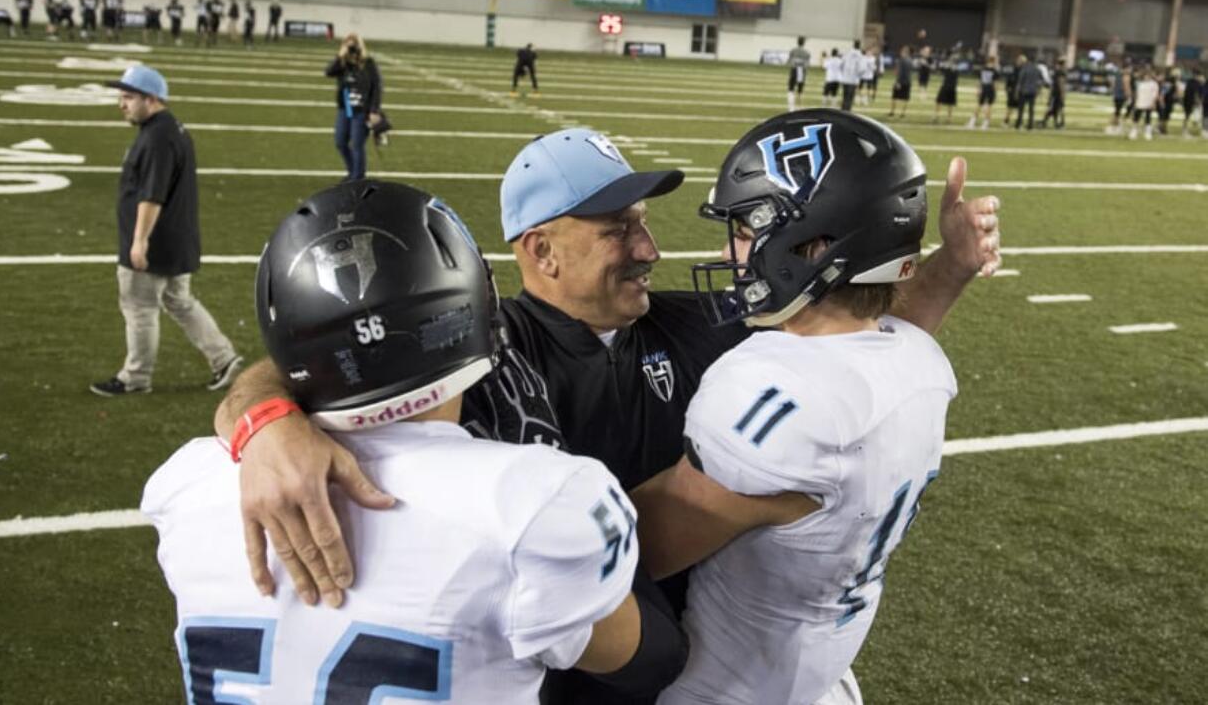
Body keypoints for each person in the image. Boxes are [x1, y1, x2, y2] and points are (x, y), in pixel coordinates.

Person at [213, 124, 999, 630]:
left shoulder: (698, 320)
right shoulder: (476, 350)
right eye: (617, 229)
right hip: (566, 655)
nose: (648, 248)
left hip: (689, 644)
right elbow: (322, 360)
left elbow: (850, 355)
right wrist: (267, 422)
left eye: (646, 223)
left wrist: (950, 268)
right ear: (540, 252)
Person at [143, 180, 686, 704]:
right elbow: (647, 659)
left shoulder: (184, 486)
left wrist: (265, 412)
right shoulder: (527, 501)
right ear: (473, 306)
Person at [633, 110, 954, 705]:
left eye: (749, 228)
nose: (733, 250)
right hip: (818, 677)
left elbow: (632, 550)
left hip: (722, 689)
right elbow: (874, 346)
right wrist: (954, 264)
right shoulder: (918, 363)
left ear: (814, 245)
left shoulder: (775, 390)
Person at [89, 65, 242, 397]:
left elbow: (152, 193)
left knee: (140, 308)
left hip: (155, 243)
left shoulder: (159, 137)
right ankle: (224, 357)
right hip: (175, 240)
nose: (122, 104)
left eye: (128, 97)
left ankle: (135, 377)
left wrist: (139, 241)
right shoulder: (168, 130)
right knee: (180, 301)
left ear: (152, 98)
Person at [326, 33, 384, 180]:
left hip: (362, 111)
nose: (352, 48)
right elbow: (328, 72)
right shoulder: (343, 64)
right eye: (348, 44)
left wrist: (374, 110)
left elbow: (377, 87)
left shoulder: (368, 63)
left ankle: (358, 177)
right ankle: (353, 171)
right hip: (345, 109)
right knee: (340, 142)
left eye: (354, 45)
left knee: (357, 144)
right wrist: (340, 56)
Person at [968, 55, 999, 129]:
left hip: (983, 88)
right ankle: (985, 124)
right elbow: (995, 84)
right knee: (989, 106)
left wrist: (978, 89)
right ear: (994, 61)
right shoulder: (995, 71)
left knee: (979, 105)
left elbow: (979, 81)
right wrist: (995, 92)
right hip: (990, 89)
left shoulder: (983, 69)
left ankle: (972, 122)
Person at [1130, 66, 1158, 141]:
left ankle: (1147, 133)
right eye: (1145, 75)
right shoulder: (1140, 83)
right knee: (1136, 117)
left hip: (1148, 102)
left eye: (1148, 75)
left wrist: (1153, 103)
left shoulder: (1154, 84)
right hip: (1140, 102)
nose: (1146, 77)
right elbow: (1137, 93)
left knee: (1148, 118)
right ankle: (1134, 131)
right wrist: (1136, 102)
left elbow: (1155, 94)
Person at [1014, 54, 1041, 130]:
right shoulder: (1037, 69)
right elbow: (1039, 81)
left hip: (1024, 91)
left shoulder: (1024, 68)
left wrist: (1016, 91)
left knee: (1021, 109)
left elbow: (1020, 81)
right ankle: (1030, 125)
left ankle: (1018, 124)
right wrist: (1038, 91)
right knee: (1031, 109)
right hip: (1033, 91)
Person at [785, 35, 811, 111]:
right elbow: (807, 65)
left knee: (791, 89)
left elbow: (789, 61)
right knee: (800, 90)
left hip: (794, 70)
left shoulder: (793, 51)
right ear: (804, 43)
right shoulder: (806, 53)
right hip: (802, 71)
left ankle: (791, 108)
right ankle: (799, 107)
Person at [1041, 58, 1067, 129]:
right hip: (1057, 94)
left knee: (1054, 109)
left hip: (1054, 93)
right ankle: (1060, 123)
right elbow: (1060, 83)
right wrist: (1062, 94)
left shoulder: (1057, 71)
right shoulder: (1061, 72)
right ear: (1063, 64)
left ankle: (1047, 121)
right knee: (1058, 108)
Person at [934, 51, 959, 124]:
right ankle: (949, 118)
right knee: (950, 104)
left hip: (946, 86)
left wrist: (941, 60)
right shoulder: (956, 67)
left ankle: (936, 116)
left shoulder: (948, 66)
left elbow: (939, 69)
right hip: (953, 87)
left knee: (939, 101)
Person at [839, 40, 864, 112]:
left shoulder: (847, 53)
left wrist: (843, 73)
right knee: (850, 98)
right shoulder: (860, 55)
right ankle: (847, 112)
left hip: (845, 79)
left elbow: (841, 65)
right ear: (859, 46)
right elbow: (861, 69)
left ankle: (842, 112)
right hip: (853, 80)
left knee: (844, 97)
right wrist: (858, 75)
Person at [889, 45, 913, 118]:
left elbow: (900, 72)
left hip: (901, 81)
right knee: (905, 98)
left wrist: (898, 82)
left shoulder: (901, 60)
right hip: (908, 81)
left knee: (894, 97)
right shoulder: (910, 60)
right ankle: (903, 113)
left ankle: (892, 112)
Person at [1109, 62, 1131, 134]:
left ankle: (1113, 126)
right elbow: (1126, 87)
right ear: (1126, 68)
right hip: (1121, 95)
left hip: (1116, 94)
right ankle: (1115, 126)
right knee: (1119, 111)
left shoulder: (1117, 74)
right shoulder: (1125, 76)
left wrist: (1114, 92)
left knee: (1116, 111)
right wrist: (1128, 96)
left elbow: (1112, 84)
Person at [1180, 68, 1202, 137]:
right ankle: (1185, 130)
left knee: (1187, 116)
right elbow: (1196, 93)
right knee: (1189, 116)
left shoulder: (1188, 81)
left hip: (1186, 100)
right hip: (1191, 101)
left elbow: (1185, 91)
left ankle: (1184, 130)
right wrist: (1198, 102)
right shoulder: (1197, 83)